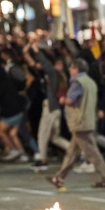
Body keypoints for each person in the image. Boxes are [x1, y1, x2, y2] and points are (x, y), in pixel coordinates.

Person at [48, 59, 105, 188]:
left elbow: (71, 100)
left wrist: (62, 99)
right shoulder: (91, 82)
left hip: (79, 122)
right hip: (88, 120)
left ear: (76, 69)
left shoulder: (77, 83)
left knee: (92, 152)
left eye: (71, 68)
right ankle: (59, 178)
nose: (70, 71)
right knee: (72, 153)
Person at [23, 43, 69, 171]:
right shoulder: (60, 76)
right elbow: (34, 64)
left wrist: (36, 49)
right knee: (55, 137)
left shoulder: (54, 74)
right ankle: (77, 151)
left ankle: (42, 159)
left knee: (42, 134)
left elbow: (43, 62)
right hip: (56, 109)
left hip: (50, 107)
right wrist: (26, 51)